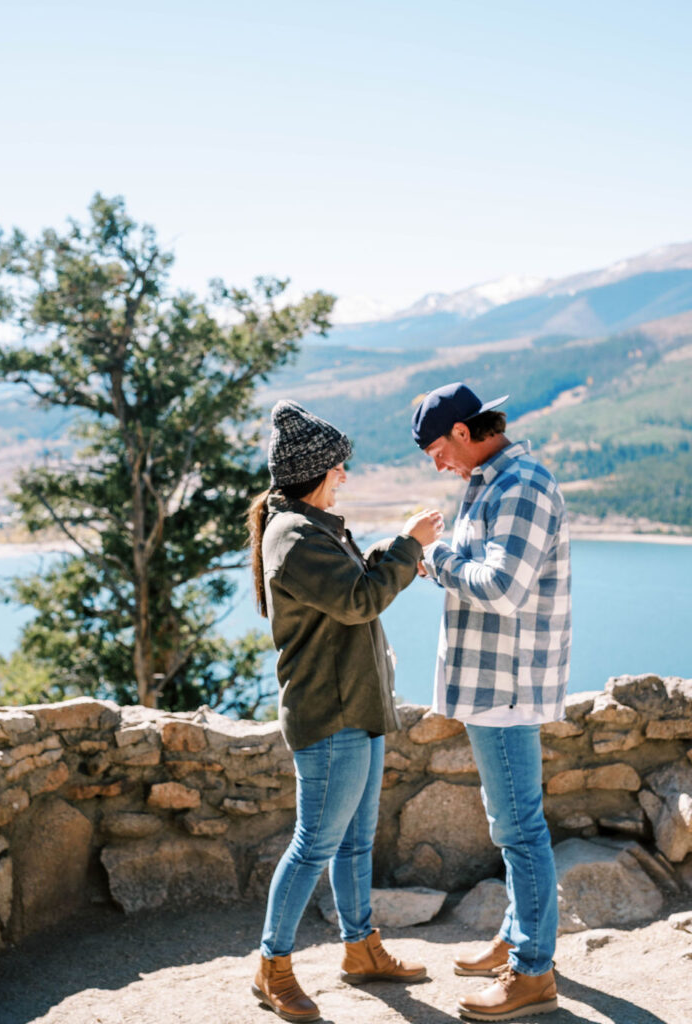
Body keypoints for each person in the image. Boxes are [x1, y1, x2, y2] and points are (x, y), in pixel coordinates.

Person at [247, 399, 444, 1023]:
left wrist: (392, 546)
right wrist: (409, 547)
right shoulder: (295, 536)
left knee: (356, 844)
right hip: (329, 717)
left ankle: (361, 950)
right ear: (315, 472)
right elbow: (360, 600)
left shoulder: (314, 525)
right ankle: (271, 966)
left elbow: (352, 585)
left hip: (356, 708)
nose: (345, 476)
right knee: (314, 845)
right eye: (339, 467)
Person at [411, 381, 571, 1022]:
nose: (436, 464)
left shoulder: (521, 485)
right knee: (509, 824)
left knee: (520, 829)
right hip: (489, 684)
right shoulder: (488, 484)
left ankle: (532, 973)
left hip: (507, 684)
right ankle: (516, 937)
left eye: (435, 450)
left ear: (462, 432)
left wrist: (435, 557)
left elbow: (502, 588)